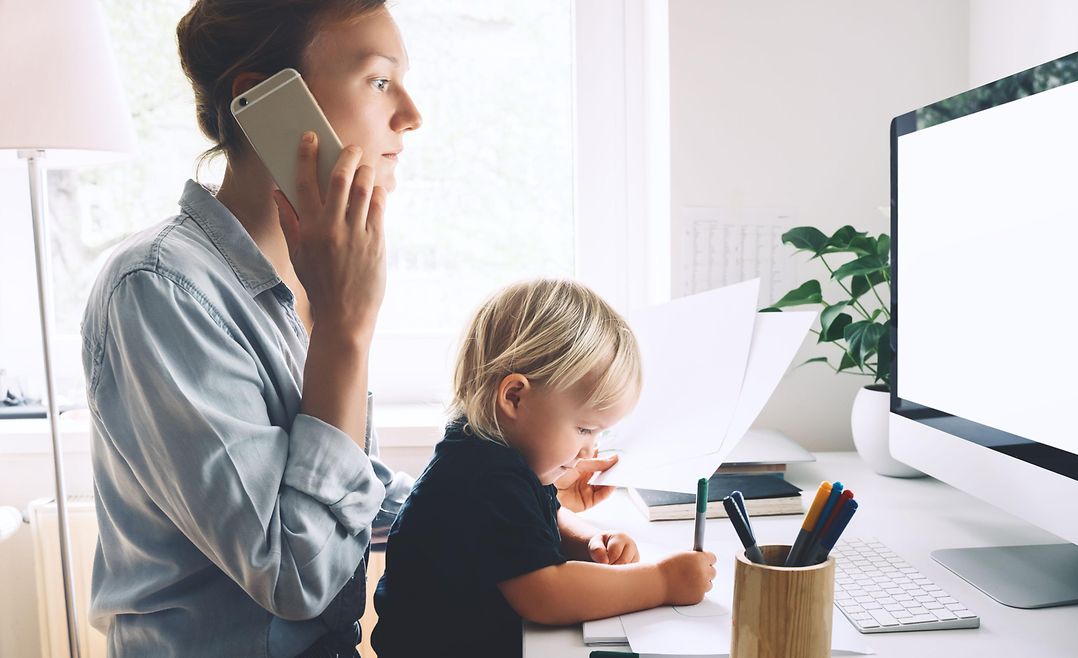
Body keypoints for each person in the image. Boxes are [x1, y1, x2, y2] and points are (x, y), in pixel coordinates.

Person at [82, 3, 619, 656]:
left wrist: (512, 504)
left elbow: (346, 492)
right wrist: (344, 328)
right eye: (378, 80)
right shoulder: (160, 289)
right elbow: (295, 575)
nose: (412, 115)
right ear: (262, 100)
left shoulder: (311, 274)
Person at [371, 279, 717, 657]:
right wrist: (663, 581)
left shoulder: (497, 453)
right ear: (515, 397)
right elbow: (546, 594)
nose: (591, 446)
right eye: (584, 428)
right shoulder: (483, 477)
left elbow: (546, 515)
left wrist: (588, 541)